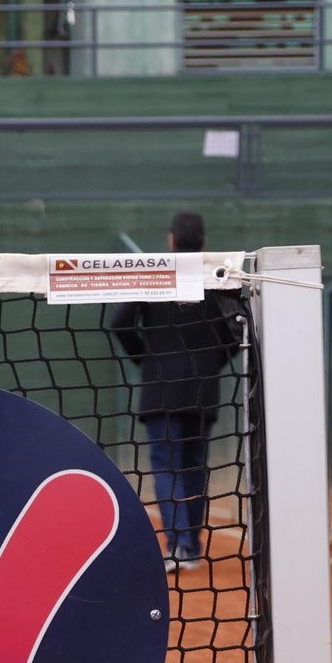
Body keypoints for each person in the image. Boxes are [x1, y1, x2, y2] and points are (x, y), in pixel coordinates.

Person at [105, 210, 243, 572]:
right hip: (203, 390)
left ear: (171, 240)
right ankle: (191, 547)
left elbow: (119, 323)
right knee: (195, 466)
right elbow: (236, 330)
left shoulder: (154, 272)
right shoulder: (217, 275)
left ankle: (180, 545)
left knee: (167, 467)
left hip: (160, 389)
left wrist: (145, 358)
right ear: (203, 241)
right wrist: (212, 363)